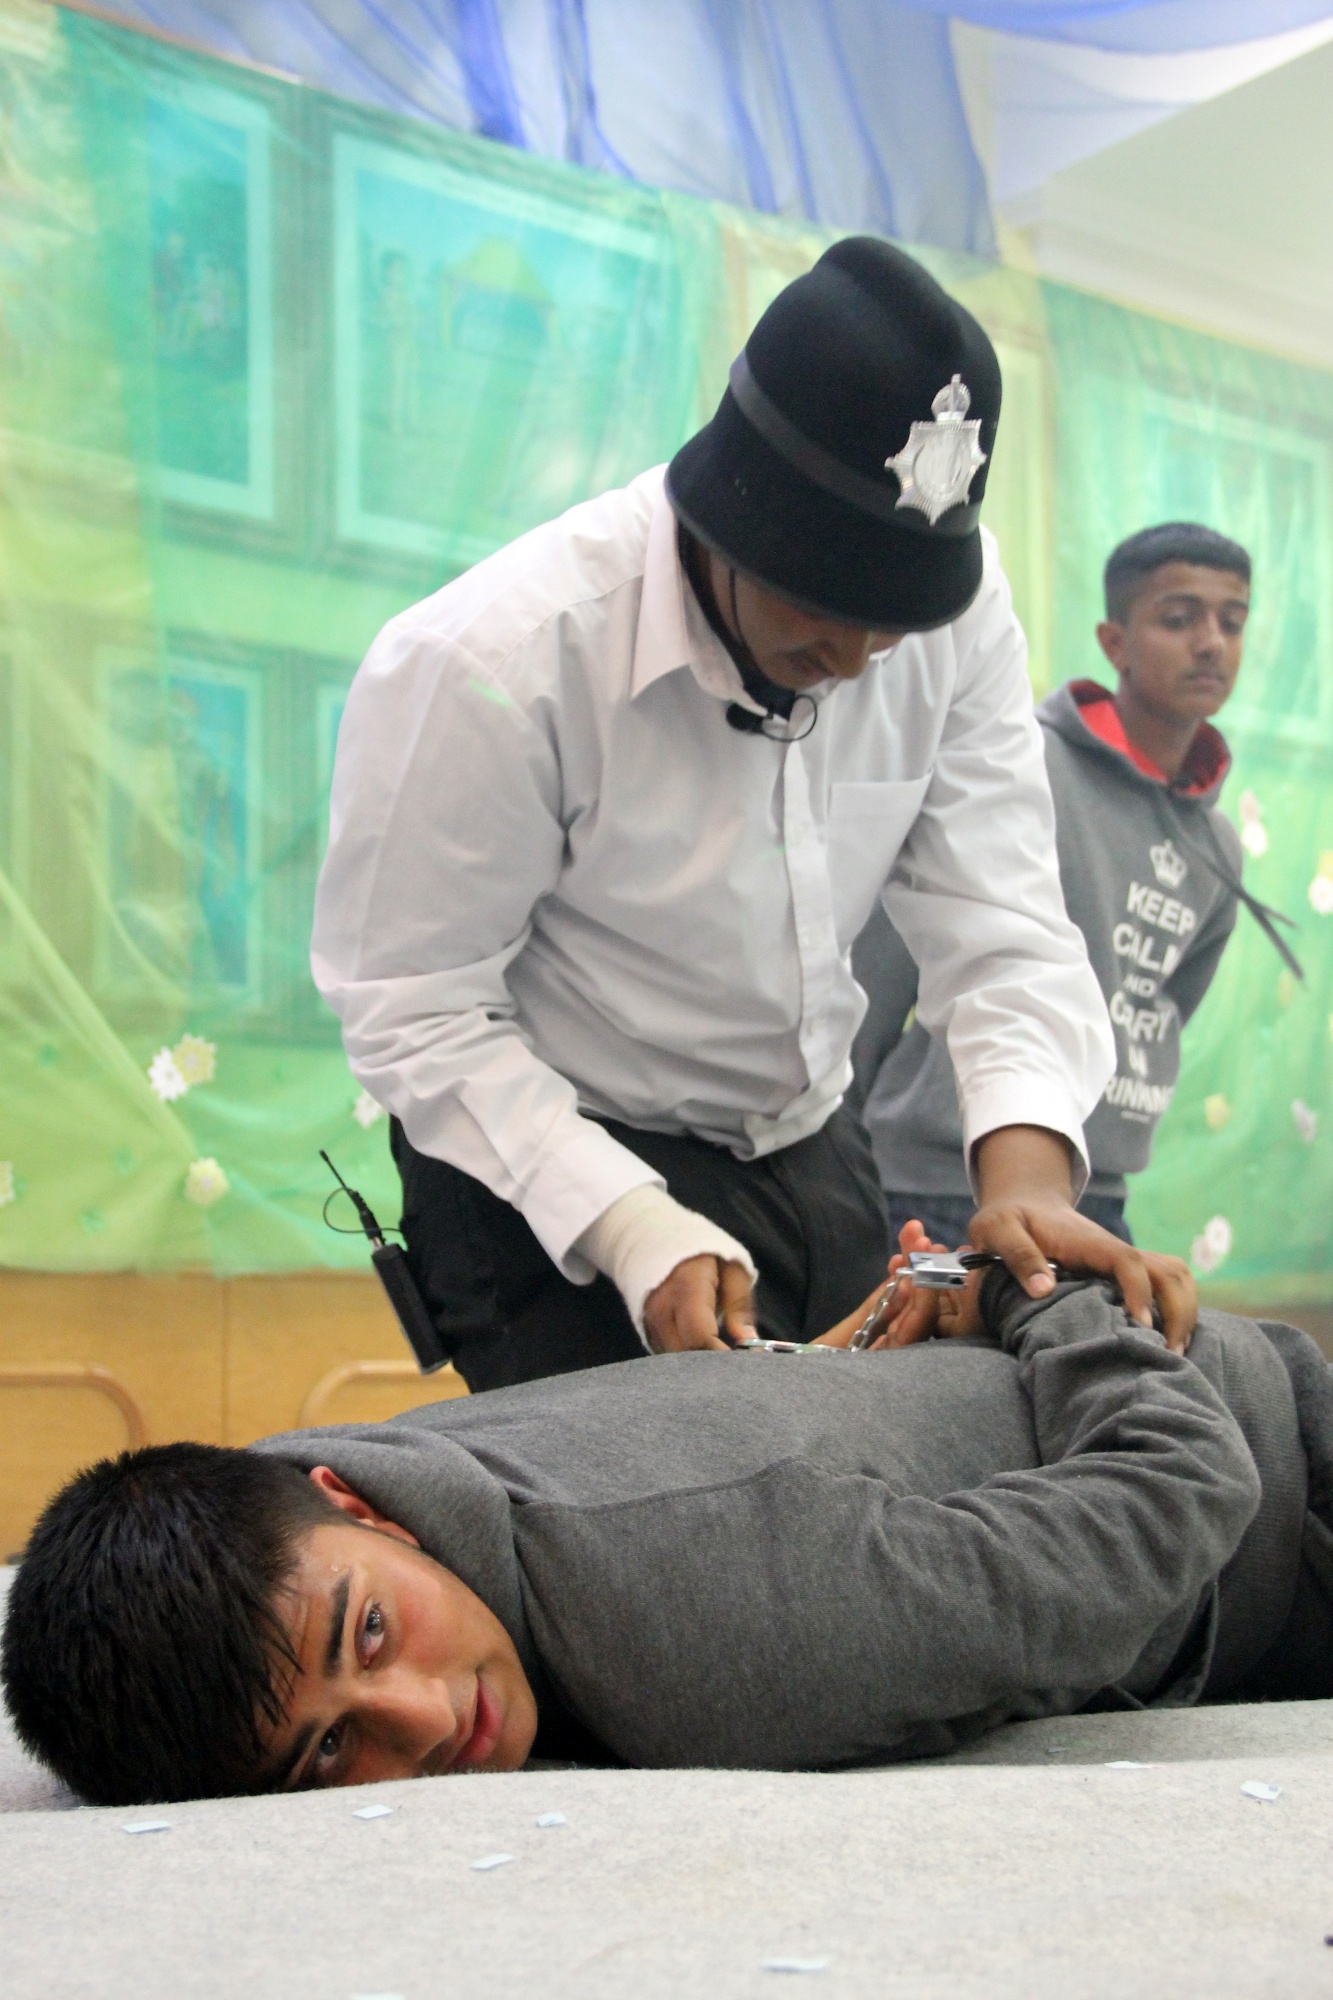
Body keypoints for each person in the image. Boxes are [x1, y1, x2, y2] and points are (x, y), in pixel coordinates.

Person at [312, 235, 1194, 1394]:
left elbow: (1002, 921)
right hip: (547, 1157)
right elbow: (414, 1012)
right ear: (727, 517)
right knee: (657, 1530)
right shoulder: (494, 660)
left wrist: (1025, 1182)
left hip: (809, 1140)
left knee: (849, 1488)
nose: (860, 659)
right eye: (824, 614)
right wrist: (630, 1223)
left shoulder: (955, 623)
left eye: (896, 625)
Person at [7, 1242, 1331, 1805]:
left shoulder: (719, 1634)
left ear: (349, 1507)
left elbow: (1184, 1487)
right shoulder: (314, 1497)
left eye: (367, 1635)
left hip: (1286, 1499)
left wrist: (1027, 1288)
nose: (422, 1719)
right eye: (326, 1753)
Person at [852, 521, 1290, 1249]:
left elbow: (1164, 1001)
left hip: (1095, 1189)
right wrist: (844, 1145)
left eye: (1231, 621)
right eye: (1178, 618)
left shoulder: (1216, 845)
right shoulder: (1025, 771)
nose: (1210, 642)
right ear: (1113, 641)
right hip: (937, 1183)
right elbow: (888, 960)